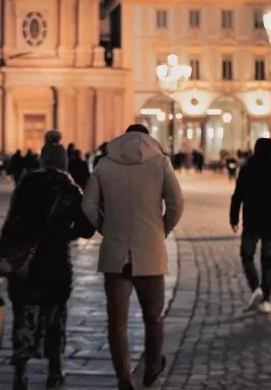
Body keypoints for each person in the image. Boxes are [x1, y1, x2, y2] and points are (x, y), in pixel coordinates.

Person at [82, 124, 184, 390]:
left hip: (115, 251)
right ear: (149, 138)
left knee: (117, 321)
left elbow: (88, 204)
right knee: (154, 316)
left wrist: (105, 227)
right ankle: (152, 366)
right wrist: (162, 228)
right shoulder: (160, 163)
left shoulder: (105, 164)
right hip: (149, 249)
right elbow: (176, 203)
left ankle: (124, 377)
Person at [0, 142, 96, 390]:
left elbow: (11, 225)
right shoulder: (69, 188)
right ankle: (55, 371)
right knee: (55, 320)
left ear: (42, 160)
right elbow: (87, 229)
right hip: (56, 267)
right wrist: (63, 235)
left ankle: (21, 373)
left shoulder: (25, 185)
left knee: (23, 318)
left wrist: (0, 259)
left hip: (25, 265)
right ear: (64, 162)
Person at [229, 138, 271, 314]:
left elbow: (237, 196)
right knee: (267, 259)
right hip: (270, 221)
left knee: (247, 256)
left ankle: (256, 288)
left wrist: (234, 218)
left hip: (251, 220)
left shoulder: (247, 169)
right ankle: (266, 300)